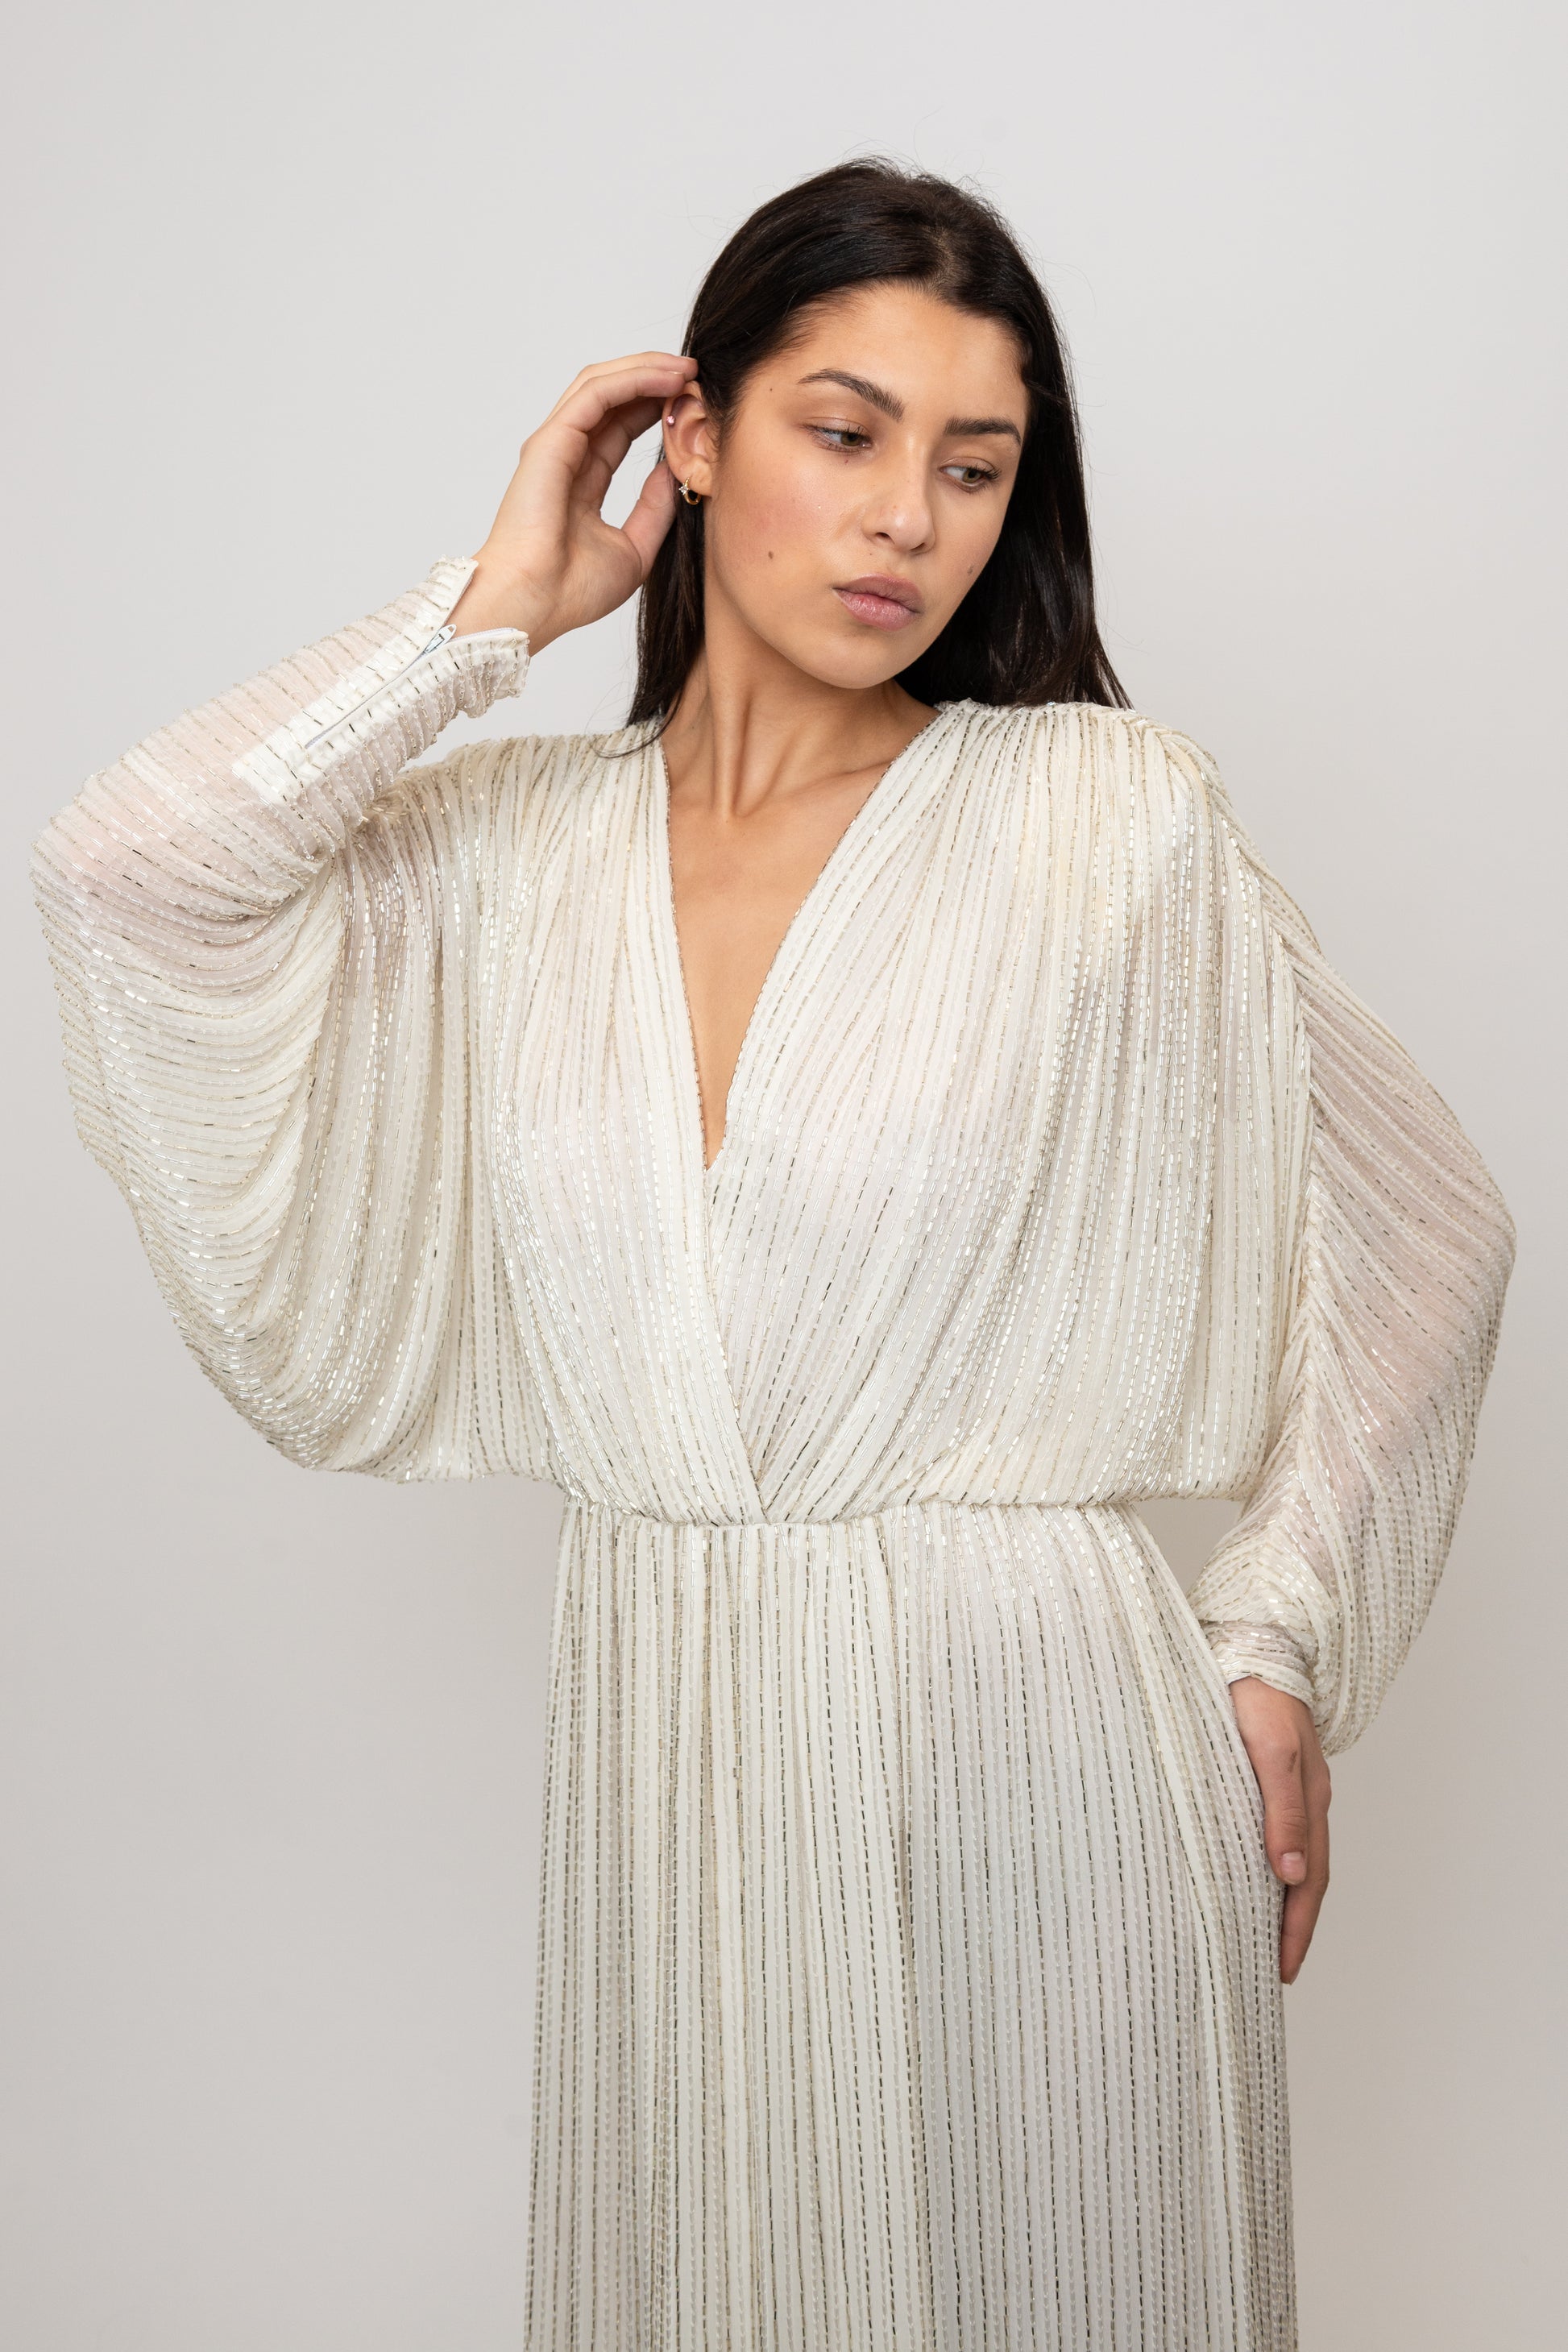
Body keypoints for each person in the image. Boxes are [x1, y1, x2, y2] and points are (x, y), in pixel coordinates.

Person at [32, 158, 1514, 2351]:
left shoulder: (1102, 819)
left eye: (973, 467)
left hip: (1049, 1760)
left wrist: (1279, 1633)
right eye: (844, 431)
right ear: (693, 435)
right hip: (682, 1756)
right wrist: (488, 617)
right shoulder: (503, 860)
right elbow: (126, 876)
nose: (907, 516)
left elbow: (1427, 1226)